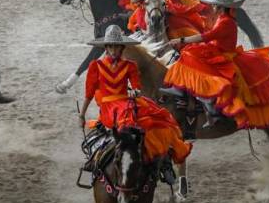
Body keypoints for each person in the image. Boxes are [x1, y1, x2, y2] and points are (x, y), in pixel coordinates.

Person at [163, 0, 269, 132]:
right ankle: (185, 93)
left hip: (223, 56)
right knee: (189, 54)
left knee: (191, 58)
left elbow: (207, 36)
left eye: (215, 5)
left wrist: (181, 39)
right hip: (215, 51)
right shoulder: (222, 19)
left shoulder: (226, 22)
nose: (212, 7)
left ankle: (211, 108)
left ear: (220, 7)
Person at [79, 25, 191, 164]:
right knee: (128, 120)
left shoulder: (130, 65)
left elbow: (136, 85)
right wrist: (82, 115)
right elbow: (89, 94)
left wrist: (135, 91)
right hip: (109, 106)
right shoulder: (95, 66)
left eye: (117, 47)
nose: (114, 51)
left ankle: (161, 161)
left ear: (122, 48)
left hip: (126, 101)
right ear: (106, 47)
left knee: (157, 116)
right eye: (111, 47)